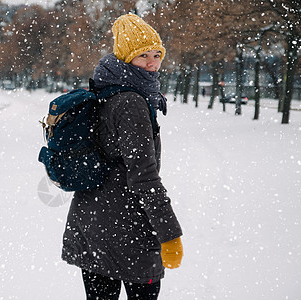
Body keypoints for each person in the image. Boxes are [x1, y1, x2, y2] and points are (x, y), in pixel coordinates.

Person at [61, 13, 183, 300]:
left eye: (157, 55)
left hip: (93, 223)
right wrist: (169, 234)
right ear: (127, 58)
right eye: (143, 56)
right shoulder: (131, 102)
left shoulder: (107, 91)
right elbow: (143, 176)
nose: (152, 63)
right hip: (127, 232)